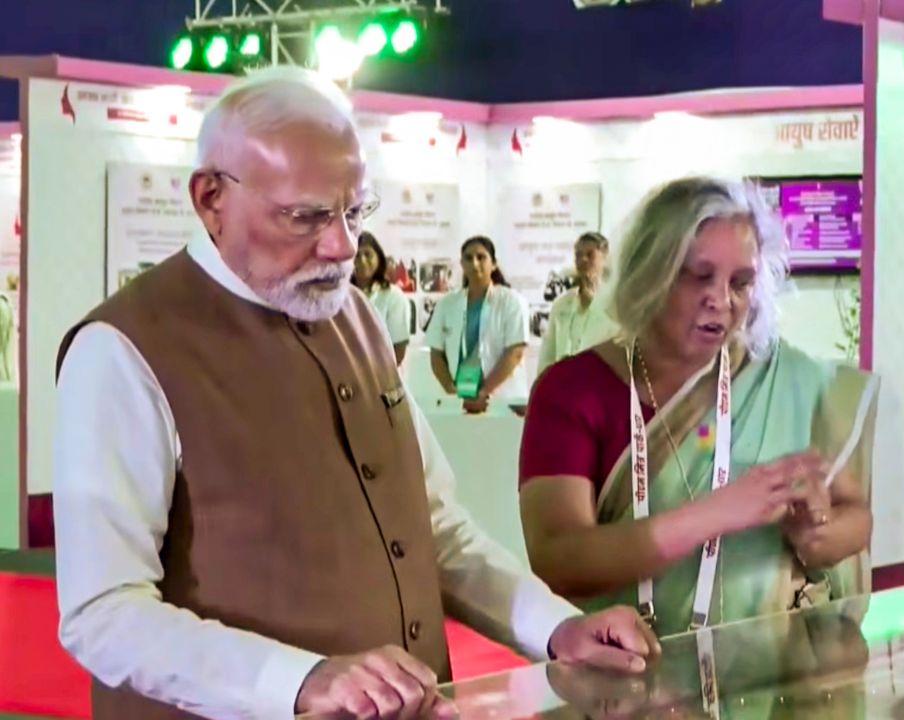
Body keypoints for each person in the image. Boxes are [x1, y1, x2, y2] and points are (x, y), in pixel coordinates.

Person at [52, 67, 658, 720]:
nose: (342, 245)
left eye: (354, 212)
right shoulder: (124, 348)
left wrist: (555, 629)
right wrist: (302, 680)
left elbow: (434, 529)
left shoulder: (359, 319)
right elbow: (102, 613)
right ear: (210, 199)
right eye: (306, 217)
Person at [519, 177, 879, 638]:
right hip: (619, 676)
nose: (722, 300)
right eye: (699, 276)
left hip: (765, 687)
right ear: (650, 273)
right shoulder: (573, 391)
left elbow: (856, 515)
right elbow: (559, 559)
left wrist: (819, 535)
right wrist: (718, 514)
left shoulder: (784, 382)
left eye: (741, 283)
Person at [425, 236, 530, 413]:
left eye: (481, 257)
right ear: (462, 264)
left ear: (494, 264)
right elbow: (436, 354)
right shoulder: (447, 304)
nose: (474, 263)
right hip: (460, 402)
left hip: (504, 402)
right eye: (468, 258)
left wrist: (484, 392)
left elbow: (515, 353)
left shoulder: (512, 301)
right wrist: (453, 392)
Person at [537, 232, 618, 375]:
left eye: (590, 254)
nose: (583, 259)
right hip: (562, 386)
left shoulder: (615, 304)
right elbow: (547, 356)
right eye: (578, 255)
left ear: (605, 258)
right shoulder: (561, 304)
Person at [352, 230, 414, 364]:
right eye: (356, 255)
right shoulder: (340, 295)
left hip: (380, 376)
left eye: (368, 255)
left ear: (379, 259)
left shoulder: (394, 297)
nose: (362, 261)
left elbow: (398, 350)